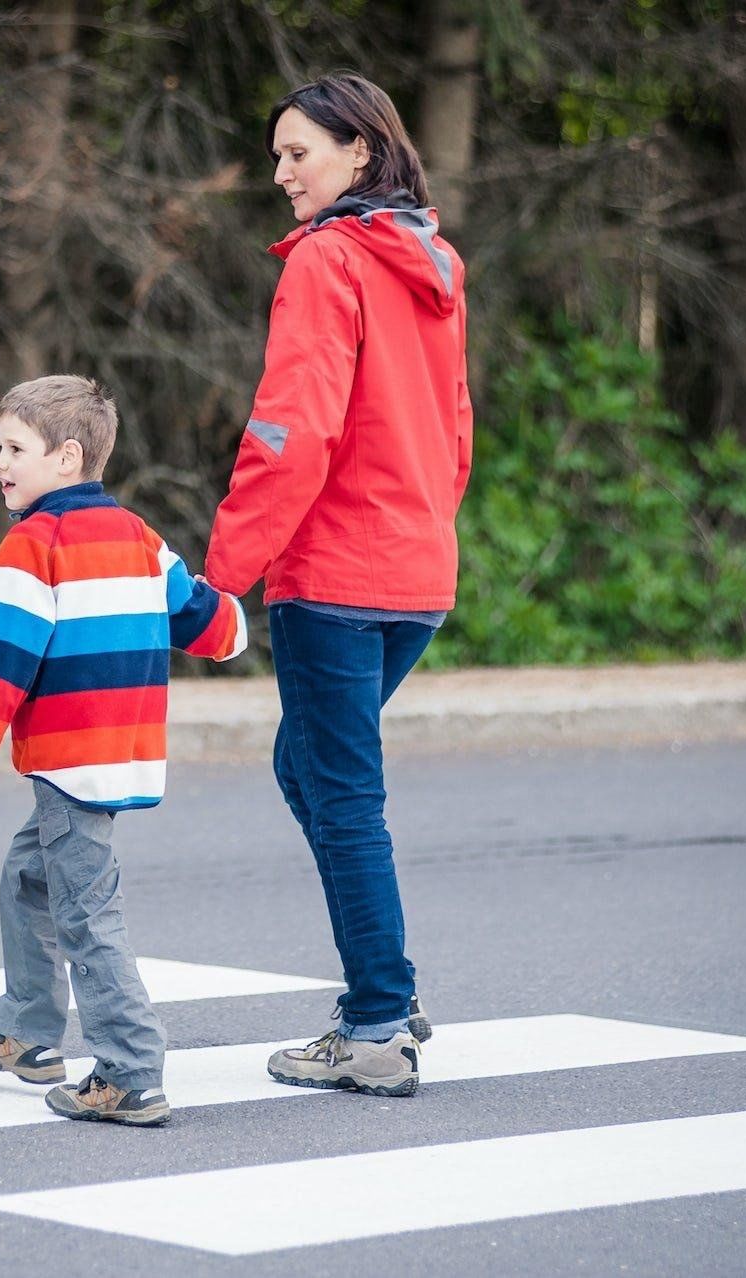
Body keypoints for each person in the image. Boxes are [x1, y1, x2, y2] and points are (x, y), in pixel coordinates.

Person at [204, 72, 473, 1098]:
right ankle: (382, 999)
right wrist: (426, 535)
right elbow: (455, 431)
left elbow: (290, 432)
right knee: (308, 770)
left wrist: (225, 579)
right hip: (416, 572)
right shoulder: (434, 262)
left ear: (360, 152)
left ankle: (376, 1020)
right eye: (277, 156)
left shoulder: (328, 262)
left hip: (335, 575)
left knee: (343, 795)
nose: (281, 174)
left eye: (297, 154)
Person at [0, 374, 248, 1127]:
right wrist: (235, 625)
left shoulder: (32, 546)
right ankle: (27, 1033)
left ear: (67, 457)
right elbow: (203, 619)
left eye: (14, 448)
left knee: (86, 914)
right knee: (27, 878)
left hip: (71, 763)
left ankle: (130, 1072)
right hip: (118, 751)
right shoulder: (139, 537)